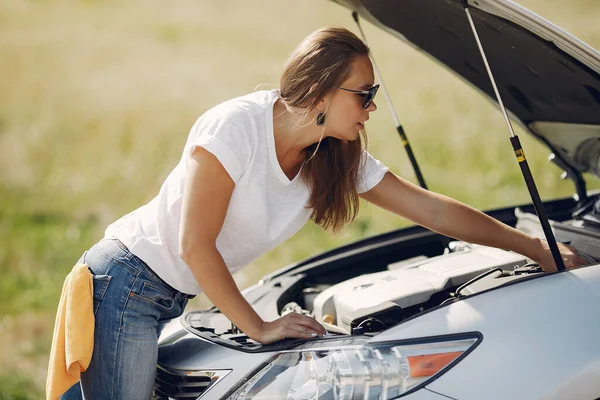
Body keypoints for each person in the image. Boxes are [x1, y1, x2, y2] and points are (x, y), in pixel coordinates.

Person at [59, 27, 588, 399]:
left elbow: (430, 210)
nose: (372, 107)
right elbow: (193, 244)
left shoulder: (333, 155)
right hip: (124, 283)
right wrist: (260, 326)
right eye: (365, 94)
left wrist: (532, 247)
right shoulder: (234, 129)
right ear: (320, 91)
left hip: (166, 295)